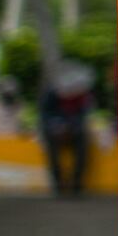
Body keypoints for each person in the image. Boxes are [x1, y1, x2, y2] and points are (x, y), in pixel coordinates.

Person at [40, 61, 95, 196]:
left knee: (83, 145)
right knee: (51, 150)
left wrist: (72, 126)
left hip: (74, 129)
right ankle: (58, 185)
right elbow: (45, 116)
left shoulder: (83, 96)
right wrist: (58, 126)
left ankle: (77, 184)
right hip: (54, 129)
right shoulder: (50, 95)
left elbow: (84, 115)